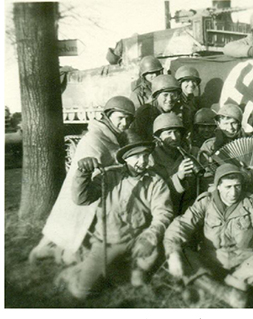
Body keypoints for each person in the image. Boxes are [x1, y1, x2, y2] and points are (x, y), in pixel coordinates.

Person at [56, 141, 173, 299]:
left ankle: (133, 272)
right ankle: (75, 272)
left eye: (145, 156)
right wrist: (83, 172)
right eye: (137, 156)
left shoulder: (155, 182)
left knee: (143, 271)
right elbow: (81, 199)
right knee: (82, 292)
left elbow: (163, 213)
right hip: (108, 240)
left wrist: (150, 236)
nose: (143, 161)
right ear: (126, 159)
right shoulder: (109, 176)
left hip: (137, 240)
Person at [29, 96, 136, 266]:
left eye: (128, 119)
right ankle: (55, 251)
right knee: (74, 230)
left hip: (101, 194)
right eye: (120, 118)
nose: (124, 123)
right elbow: (90, 174)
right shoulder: (94, 139)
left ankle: (59, 251)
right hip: (86, 193)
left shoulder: (114, 137)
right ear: (108, 116)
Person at [164, 163, 253, 308]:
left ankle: (211, 287)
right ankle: (228, 293)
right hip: (211, 260)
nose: (233, 193)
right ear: (218, 186)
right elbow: (182, 225)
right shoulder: (206, 202)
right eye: (228, 187)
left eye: (237, 186)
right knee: (181, 253)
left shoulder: (250, 202)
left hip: (244, 262)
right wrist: (173, 253)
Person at [150, 112, 200, 215]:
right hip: (165, 210)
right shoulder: (151, 159)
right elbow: (156, 195)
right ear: (158, 137)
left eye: (176, 132)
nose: (174, 137)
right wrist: (178, 177)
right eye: (168, 133)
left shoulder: (190, 152)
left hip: (191, 210)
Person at [131, 74, 183, 140]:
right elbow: (135, 137)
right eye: (165, 95)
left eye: (173, 95)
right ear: (156, 96)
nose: (169, 99)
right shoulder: (145, 112)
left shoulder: (181, 109)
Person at [175, 65, 202, 133]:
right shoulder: (176, 101)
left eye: (194, 81)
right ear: (179, 83)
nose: (191, 84)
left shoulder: (192, 99)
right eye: (187, 81)